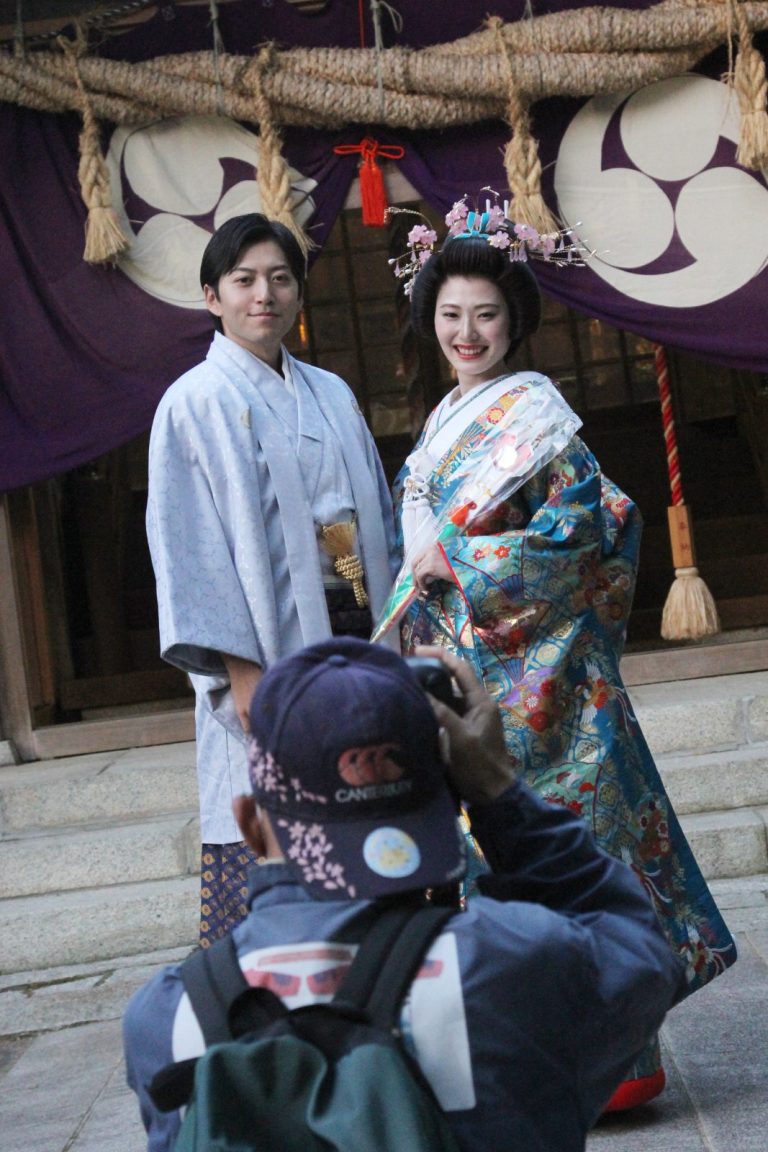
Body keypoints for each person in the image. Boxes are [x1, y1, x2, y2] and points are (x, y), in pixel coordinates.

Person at [382, 202, 737, 1109]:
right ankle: (526, 1060)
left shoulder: (537, 420)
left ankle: (619, 1064)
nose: (467, 333)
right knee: (492, 877)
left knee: (572, 854)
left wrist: (461, 562)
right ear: (429, 319)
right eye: (451, 314)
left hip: (546, 685)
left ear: (516, 321)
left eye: (486, 314)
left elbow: (586, 530)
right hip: (469, 672)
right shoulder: (443, 422)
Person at [123, 637, 686, 1152]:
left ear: (249, 822)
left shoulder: (167, 1017)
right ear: (448, 799)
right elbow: (640, 952)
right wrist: (499, 792)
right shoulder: (514, 963)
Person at [146, 213, 399, 945]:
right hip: (265, 653)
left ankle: (382, 973)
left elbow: (378, 517)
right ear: (212, 297)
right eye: (245, 280)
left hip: (358, 634)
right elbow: (190, 552)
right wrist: (242, 673)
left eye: (281, 279)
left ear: (298, 293)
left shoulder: (332, 392)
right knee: (280, 837)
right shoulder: (192, 402)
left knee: (372, 819)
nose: (265, 294)